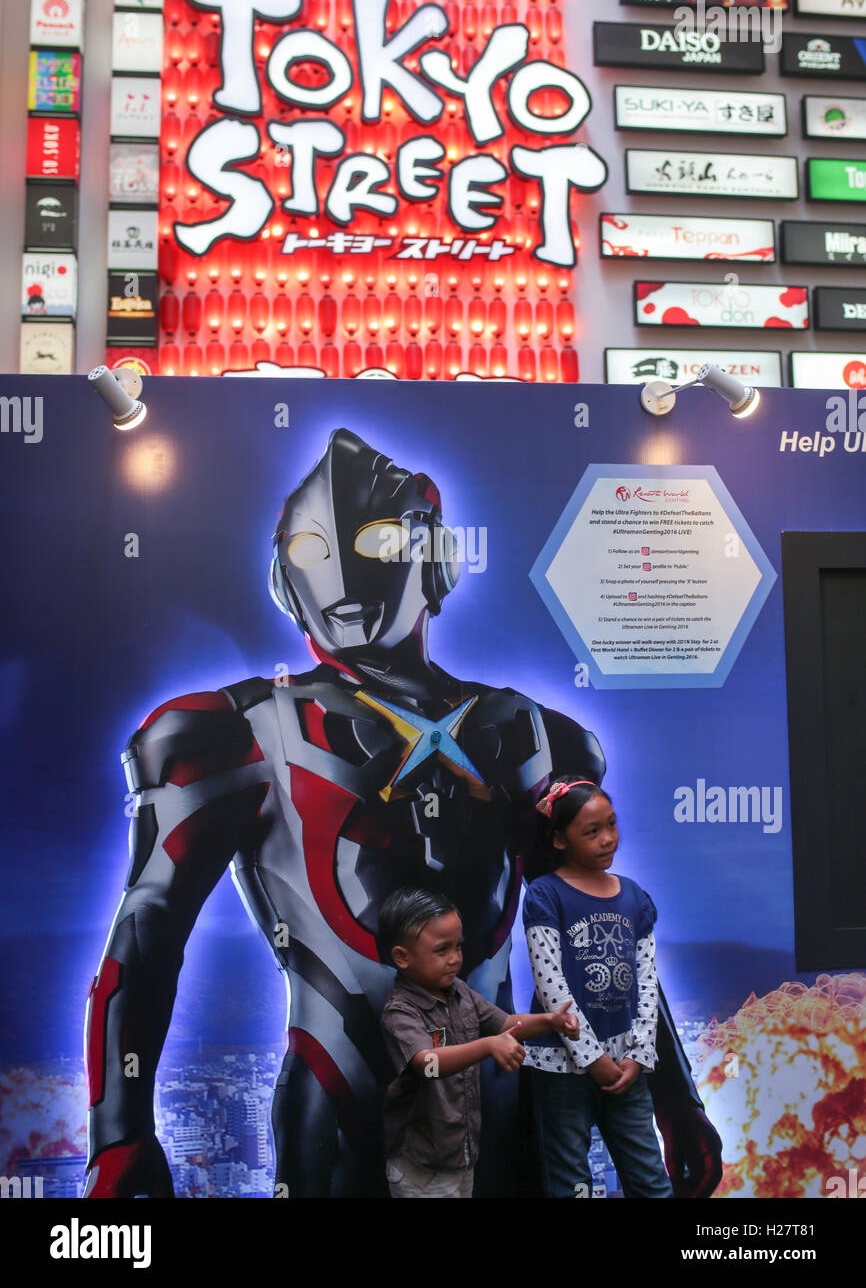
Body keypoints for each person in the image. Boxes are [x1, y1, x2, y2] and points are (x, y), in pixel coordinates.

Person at [83, 429, 720, 1199]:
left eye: (379, 539)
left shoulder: (530, 738)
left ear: (437, 559)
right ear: (285, 573)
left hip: (497, 1111)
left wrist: (673, 1094)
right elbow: (147, 935)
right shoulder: (235, 733)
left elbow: (600, 942)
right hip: (346, 1116)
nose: (346, 570)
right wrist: (118, 1139)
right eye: (313, 547)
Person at [522, 777, 674, 1199]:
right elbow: (551, 984)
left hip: (627, 1063)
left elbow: (647, 980)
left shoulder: (634, 897)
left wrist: (639, 1054)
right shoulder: (544, 895)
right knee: (572, 1184)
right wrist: (593, 1059)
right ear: (558, 839)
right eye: (592, 831)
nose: (608, 839)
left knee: (651, 1182)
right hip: (563, 1067)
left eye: (611, 824)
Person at [379, 886, 578, 1198]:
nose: (455, 959)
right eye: (441, 950)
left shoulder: (460, 992)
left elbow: (507, 1024)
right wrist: (488, 1046)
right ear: (402, 957)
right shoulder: (400, 1013)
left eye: (458, 947)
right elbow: (427, 1065)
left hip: (462, 1156)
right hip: (422, 1168)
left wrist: (549, 1021)